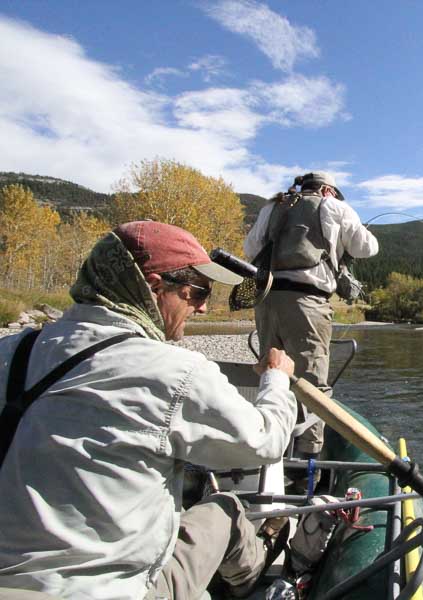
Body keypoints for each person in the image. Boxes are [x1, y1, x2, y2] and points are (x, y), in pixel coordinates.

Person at [0, 221, 299, 600]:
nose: (204, 307)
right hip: (111, 591)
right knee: (225, 508)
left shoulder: (11, 351)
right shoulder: (174, 371)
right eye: (197, 292)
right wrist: (276, 378)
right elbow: (266, 442)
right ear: (155, 287)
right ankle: (260, 584)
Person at [243, 172, 378, 467]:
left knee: (271, 371)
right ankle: (307, 463)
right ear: (327, 190)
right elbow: (366, 248)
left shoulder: (273, 206)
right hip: (307, 302)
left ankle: (267, 450)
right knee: (312, 384)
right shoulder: (335, 206)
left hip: (265, 299)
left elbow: (249, 249)